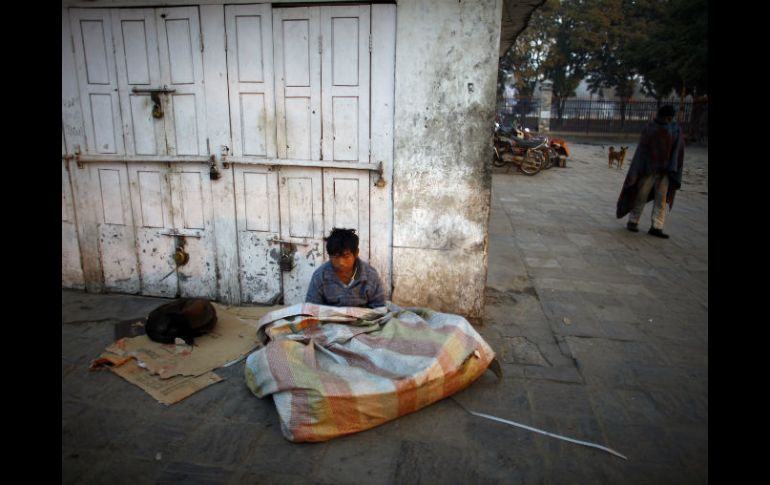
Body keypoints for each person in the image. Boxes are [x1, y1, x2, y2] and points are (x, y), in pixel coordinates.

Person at [616, 105, 685, 239]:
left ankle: (657, 226)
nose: (669, 119)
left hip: (666, 171)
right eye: (667, 116)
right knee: (641, 195)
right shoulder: (652, 127)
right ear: (662, 116)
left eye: (670, 117)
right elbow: (643, 150)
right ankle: (633, 221)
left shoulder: (675, 129)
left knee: (661, 199)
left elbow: (678, 150)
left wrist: (673, 167)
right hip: (649, 169)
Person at [305, 228, 386, 308]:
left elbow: (379, 307)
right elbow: (311, 308)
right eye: (336, 257)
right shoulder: (320, 276)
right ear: (329, 256)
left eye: (346, 256)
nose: (341, 262)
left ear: (356, 253)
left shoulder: (370, 275)